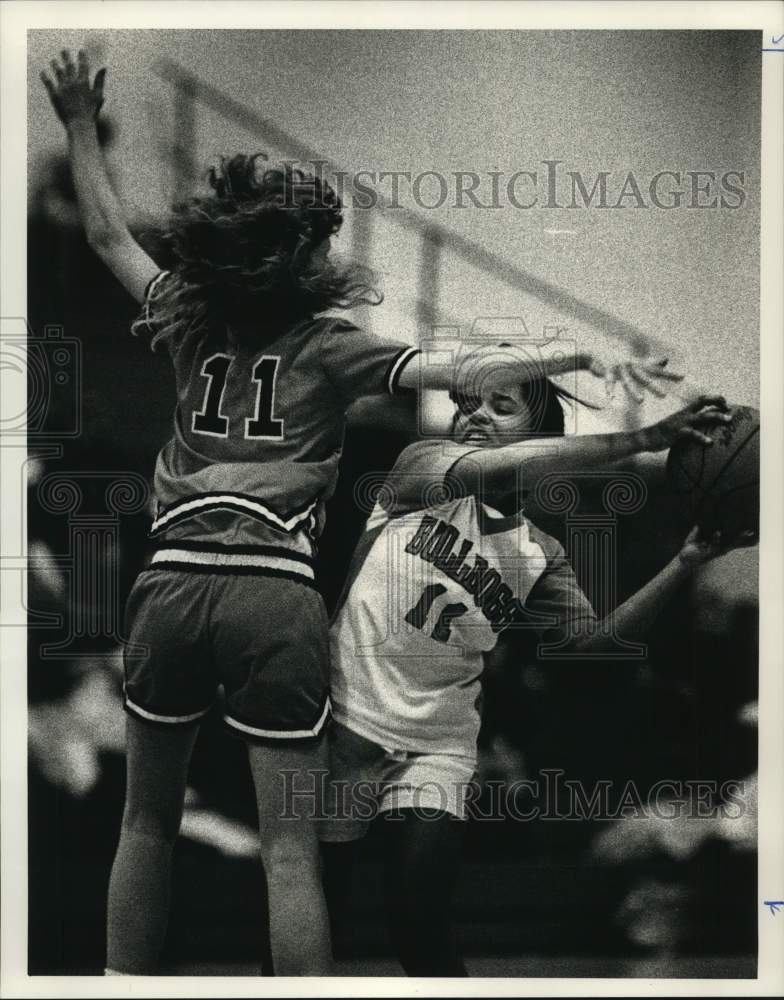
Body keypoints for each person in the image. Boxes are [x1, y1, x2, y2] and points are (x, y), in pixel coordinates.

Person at [40, 50, 681, 975]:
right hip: (272, 595)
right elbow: (461, 368)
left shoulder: (187, 317)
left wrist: (75, 122)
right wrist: (578, 359)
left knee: (145, 822)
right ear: (306, 262)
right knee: (290, 854)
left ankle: (114, 986)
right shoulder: (334, 349)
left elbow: (106, 236)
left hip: (172, 582)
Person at [319, 375, 757, 976]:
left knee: (419, 923)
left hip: (437, 744)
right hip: (350, 714)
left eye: (500, 407)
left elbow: (589, 647)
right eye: (467, 406)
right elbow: (504, 464)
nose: (473, 416)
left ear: (541, 435)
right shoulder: (422, 469)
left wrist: (683, 563)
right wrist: (645, 438)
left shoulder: (538, 552)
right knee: (319, 910)